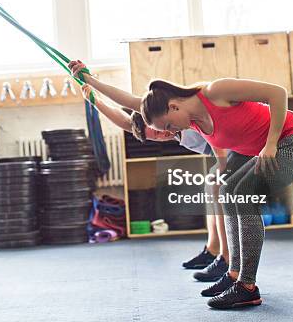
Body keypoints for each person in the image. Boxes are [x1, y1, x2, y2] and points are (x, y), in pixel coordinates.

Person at [138, 77, 293, 309]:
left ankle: (247, 287)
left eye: (168, 125)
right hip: (277, 143)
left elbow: (277, 92)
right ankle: (234, 273)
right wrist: (92, 85)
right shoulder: (194, 119)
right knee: (228, 189)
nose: (172, 132)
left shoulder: (215, 90)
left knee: (245, 193)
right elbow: (131, 101)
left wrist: (271, 143)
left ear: (174, 107)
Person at [69, 61, 245, 289]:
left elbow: (216, 130)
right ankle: (213, 250)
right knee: (211, 188)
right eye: (153, 137)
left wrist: (92, 80)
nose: (161, 137)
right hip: (227, 148)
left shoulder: (179, 116)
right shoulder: (165, 127)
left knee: (216, 186)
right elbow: (125, 121)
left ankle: (227, 259)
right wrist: (94, 100)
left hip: (238, 143)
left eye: (157, 132)